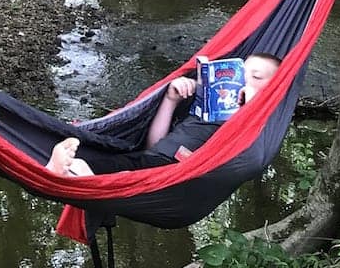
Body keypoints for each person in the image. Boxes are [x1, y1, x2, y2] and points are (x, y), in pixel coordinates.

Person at [48, 53, 281, 177]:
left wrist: (249, 105)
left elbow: (246, 159)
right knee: (97, 164)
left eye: (257, 77)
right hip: (153, 161)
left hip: (174, 176)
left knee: (107, 171)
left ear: (273, 89)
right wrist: (170, 100)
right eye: (242, 73)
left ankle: (73, 176)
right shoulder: (206, 106)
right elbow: (156, 146)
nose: (245, 81)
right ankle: (64, 173)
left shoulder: (254, 124)